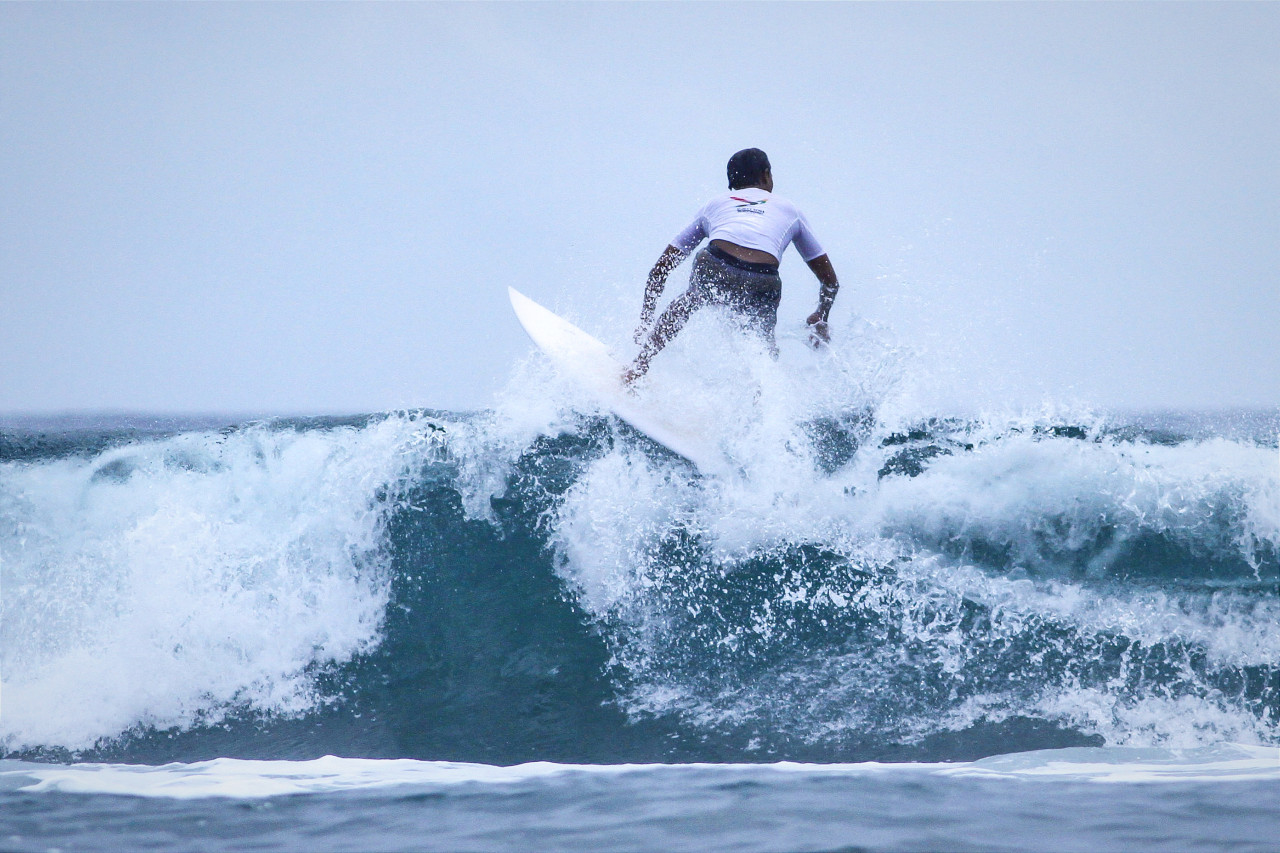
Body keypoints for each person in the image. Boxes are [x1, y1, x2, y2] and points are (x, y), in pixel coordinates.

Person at [623, 148, 840, 385]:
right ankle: (764, 410)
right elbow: (830, 281)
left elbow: (660, 269)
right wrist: (821, 317)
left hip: (717, 264)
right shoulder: (790, 210)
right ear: (766, 175)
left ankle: (638, 367)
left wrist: (645, 322)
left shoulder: (715, 204)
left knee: (688, 302)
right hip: (763, 280)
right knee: (764, 346)